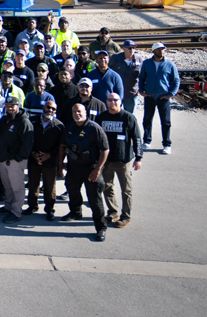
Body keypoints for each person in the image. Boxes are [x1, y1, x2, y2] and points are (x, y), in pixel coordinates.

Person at [60, 103, 111, 241]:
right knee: (72, 191)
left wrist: (97, 169)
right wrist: (60, 164)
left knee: (95, 199)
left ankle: (101, 228)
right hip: (74, 167)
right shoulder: (69, 127)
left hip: (91, 168)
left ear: (85, 112)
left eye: (80, 111)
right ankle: (76, 212)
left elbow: (105, 149)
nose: (77, 114)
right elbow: (63, 145)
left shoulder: (94, 128)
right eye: (75, 111)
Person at [97, 93, 143, 228]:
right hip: (107, 161)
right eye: (109, 100)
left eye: (115, 100)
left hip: (124, 161)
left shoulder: (128, 117)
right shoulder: (102, 117)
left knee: (126, 190)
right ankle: (113, 212)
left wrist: (138, 158)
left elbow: (137, 139)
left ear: (120, 101)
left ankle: (126, 216)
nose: (112, 103)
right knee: (107, 187)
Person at [0, 95, 33, 224]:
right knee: (8, 186)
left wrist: (19, 158)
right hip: (4, 159)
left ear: (18, 106)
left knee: (17, 188)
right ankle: (8, 206)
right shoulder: (5, 119)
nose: (9, 108)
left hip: (15, 161)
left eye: (12, 106)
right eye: (8, 106)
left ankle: (16, 212)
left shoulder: (24, 122)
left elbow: (28, 143)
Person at [138, 42, 180, 155]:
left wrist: (170, 94)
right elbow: (141, 77)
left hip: (163, 98)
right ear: (153, 51)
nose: (161, 51)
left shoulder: (170, 65)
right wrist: (141, 91)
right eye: (158, 49)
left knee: (166, 122)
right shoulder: (146, 63)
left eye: (163, 49)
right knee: (147, 120)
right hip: (150, 97)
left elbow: (176, 80)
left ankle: (166, 144)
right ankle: (146, 141)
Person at [26, 98, 64, 221]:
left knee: (49, 187)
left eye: (53, 109)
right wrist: (33, 153)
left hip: (50, 161)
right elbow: (27, 140)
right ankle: (32, 206)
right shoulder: (32, 121)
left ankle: (50, 209)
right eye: (48, 107)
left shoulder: (59, 126)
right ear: (43, 107)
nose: (50, 110)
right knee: (33, 184)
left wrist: (50, 155)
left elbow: (61, 146)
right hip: (34, 159)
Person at [109, 39, 143, 114]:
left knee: (130, 116)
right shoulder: (115, 57)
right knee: (115, 114)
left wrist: (140, 89)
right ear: (123, 48)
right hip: (116, 92)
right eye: (129, 48)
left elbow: (143, 75)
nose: (132, 50)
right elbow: (108, 72)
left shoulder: (139, 59)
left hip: (132, 93)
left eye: (133, 48)